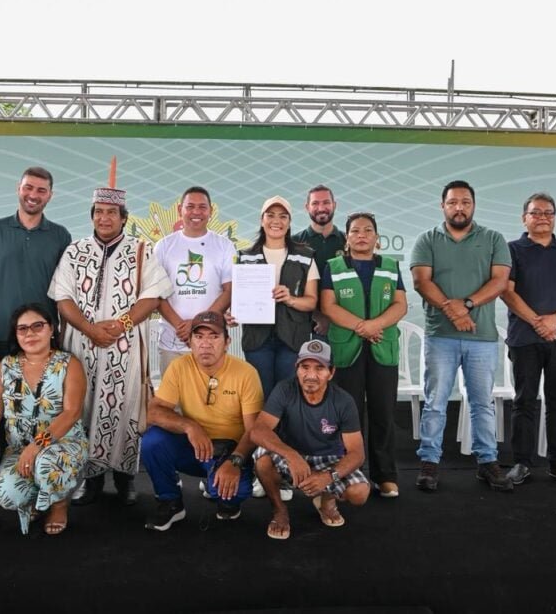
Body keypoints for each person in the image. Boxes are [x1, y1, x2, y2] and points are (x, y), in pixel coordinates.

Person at [50, 179, 172, 506]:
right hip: (82, 345)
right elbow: (62, 297)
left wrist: (122, 324)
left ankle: (124, 478)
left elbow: (153, 296)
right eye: (99, 212)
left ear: (123, 217)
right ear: (92, 215)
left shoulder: (141, 250)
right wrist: (89, 329)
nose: (104, 218)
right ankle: (89, 480)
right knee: (84, 408)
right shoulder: (75, 251)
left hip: (126, 347)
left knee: (126, 406)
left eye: (112, 212)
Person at [409, 180, 513, 492]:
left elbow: (500, 281)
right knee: (435, 403)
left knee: (482, 404)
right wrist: (452, 311)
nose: (459, 208)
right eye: (453, 202)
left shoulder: (493, 238)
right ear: (442, 205)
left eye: (465, 202)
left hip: (481, 337)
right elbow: (421, 281)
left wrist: (465, 305)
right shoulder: (427, 239)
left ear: (473, 206)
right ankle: (429, 462)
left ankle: (487, 462)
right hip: (440, 336)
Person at [0, 303, 88, 535]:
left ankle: (59, 503)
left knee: (46, 464)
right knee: (6, 495)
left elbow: (72, 413)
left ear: (51, 329)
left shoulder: (69, 364)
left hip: (62, 443)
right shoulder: (6, 366)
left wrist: (37, 446)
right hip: (20, 447)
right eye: (22, 329)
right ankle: (37, 498)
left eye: (37, 326)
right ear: (16, 335)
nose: (30, 333)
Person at [140, 311, 264, 531]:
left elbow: (253, 430)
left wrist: (235, 462)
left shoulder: (246, 373)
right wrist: (190, 426)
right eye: (198, 337)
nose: (205, 344)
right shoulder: (179, 367)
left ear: (227, 342)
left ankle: (225, 496)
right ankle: (170, 501)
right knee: (152, 441)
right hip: (194, 446)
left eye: (214, 336)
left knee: (233, 493)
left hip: (229, 450)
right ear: (190, 342)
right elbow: (153, 412)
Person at [500, 193, 556, 488]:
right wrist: (538, 322)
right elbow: (507, 292)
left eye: (548, 213)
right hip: (524, 338)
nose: (542, 218)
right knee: (524, 401)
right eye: (536, 212)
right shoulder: (512, 250)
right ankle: (521, 463)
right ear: (524, 218)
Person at [320, 211, 407, 498]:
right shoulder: (333, 266)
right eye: (355, 231)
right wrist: (363, 327)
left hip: (383, 348)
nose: (361, 235)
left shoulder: (391, 266)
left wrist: (375, 326)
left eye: (368, 230)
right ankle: (349, 474)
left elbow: (400, 305)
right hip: (347, 348)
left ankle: (385, 476)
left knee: (383, 412)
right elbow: (328, 306)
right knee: (349, 414)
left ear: (376, 238)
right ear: (346, 238)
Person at [251, 340, 370, 539]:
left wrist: (328, 476)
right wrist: (291, 455)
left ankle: (326, 501)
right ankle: (279, 511)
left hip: (328, 458)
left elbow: (357, 453)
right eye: (305, 367)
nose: (311, 375)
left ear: (331, 372)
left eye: (319, 368)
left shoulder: (343, 400)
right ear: (296, 368)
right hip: (291, 454)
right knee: (262, 460)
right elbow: (258, 431)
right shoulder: (284, 389)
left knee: (359, 493)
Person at [0, 166, 71, 360]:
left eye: (41, 190)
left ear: (50, 195)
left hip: (43, 336)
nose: (33, 195)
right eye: (28, 187)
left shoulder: (61, 235)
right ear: (19, 188)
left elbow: (66, 290)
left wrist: (64, 334)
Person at [233, 196, 319, 398]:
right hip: (257, 340)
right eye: (270, 215)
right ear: (261, 220)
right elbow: (238, 298)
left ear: (289, 222)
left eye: (283, 216)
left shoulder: (305, 256)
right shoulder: (245, 257)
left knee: (287, 395)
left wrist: (291, 299)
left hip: (292, 338)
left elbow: (312, 301)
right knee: (259, 395)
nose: (276, 221)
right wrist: (234, 313)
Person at [154, 186, 234, 374]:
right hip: (172, 342)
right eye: (190, 207)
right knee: (172, 394)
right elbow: (157, 294)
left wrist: (199, 323)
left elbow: (229, 290)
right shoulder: (163, 246)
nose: (196, 212)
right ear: (179, 209)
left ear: (210, 211)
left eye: (202, 207)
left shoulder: (224, 246)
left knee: (212, 393)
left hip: (211, 344)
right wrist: (181, 326)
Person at [294, 185, 346, 338]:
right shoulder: (295, 243)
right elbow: (290, 288)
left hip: (344, 325)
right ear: (307, 207)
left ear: (334, 205)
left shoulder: (348, 242)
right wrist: (317, 316)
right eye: (315, 203)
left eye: (326, 202)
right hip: (304, 326)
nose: (321, 208)